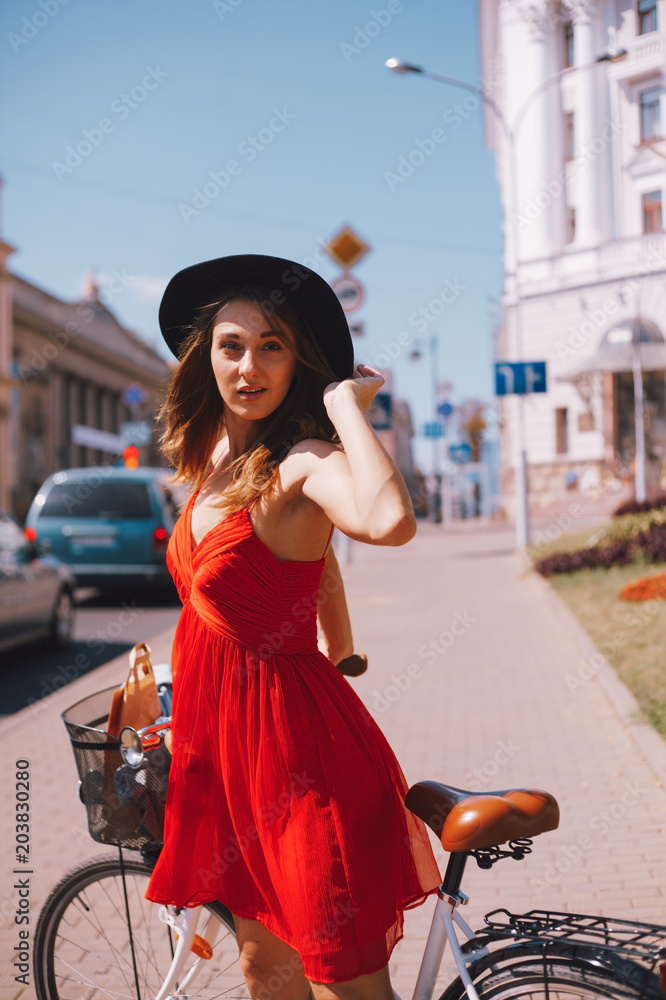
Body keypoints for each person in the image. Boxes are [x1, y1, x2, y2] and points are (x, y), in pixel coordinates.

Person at [146, 254, 441, 1000]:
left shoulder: (305, 462)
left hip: (300, 762)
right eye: (231, 345)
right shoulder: (211, 458)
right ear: (204, 357)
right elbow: (319, 570)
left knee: (341, 980)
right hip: (224, 764)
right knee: (264, 967)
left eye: (272, 345)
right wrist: (344, 649)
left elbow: (388, 521)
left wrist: (348, 407)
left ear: (297, 359)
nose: (249, 366)